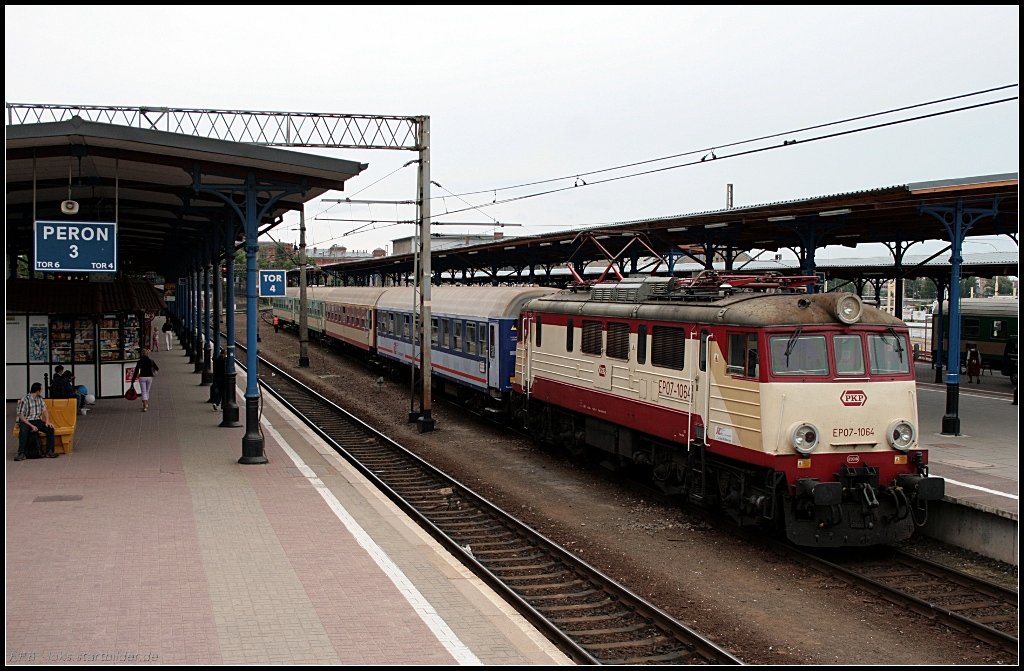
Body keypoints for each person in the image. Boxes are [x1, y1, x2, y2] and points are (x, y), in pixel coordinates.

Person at [15, 382, 58, 460]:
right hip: (26, 421)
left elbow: (45, 410)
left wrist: (47, 421)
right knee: (24, 431)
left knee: (50, 429)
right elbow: (21, 416)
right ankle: (21, 453)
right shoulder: (24, 400)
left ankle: (49, 451)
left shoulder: (40, 399)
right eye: (41, 389)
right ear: (37, 391)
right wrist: (31, 426)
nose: (41, 391)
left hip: (37, 420)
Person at [131, 348, 160, 412]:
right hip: (149, 377)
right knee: (147, 391)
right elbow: (157, 368)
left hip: (142, 377)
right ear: (147, 354)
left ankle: (145, 405)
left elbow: (136, 371)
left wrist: (132, 380)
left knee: (143, 392)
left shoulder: (139, 361)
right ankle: (145, 403)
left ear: (141, 354)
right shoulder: (151, 361)